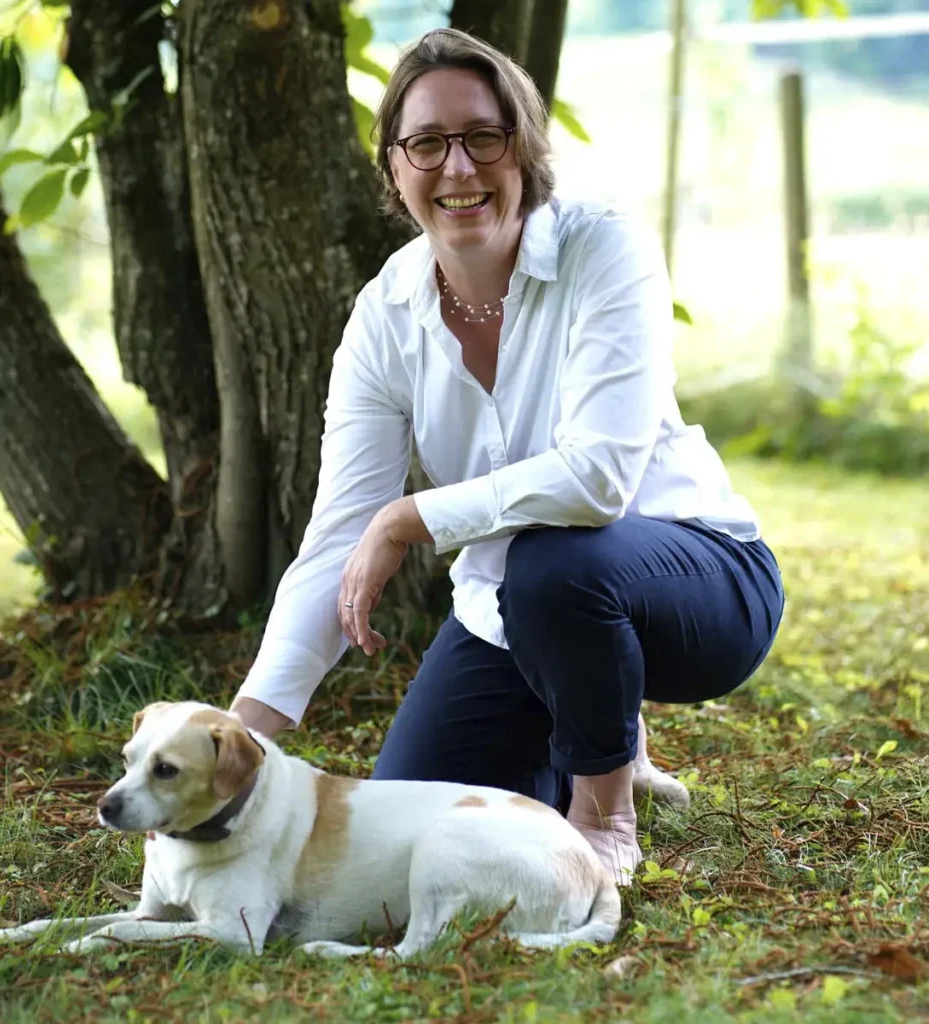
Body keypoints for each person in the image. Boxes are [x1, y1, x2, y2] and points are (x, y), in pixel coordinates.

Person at [230, 28, 784, 885]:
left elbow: (598, 480)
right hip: (512, 613)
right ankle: (597, 732)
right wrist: (237, 735)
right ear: (393, 168)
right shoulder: (385, 316)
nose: (458, 168)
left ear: (522, 147)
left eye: (482, 137)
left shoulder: (605, 250)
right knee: (410, 821)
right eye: (426, 143)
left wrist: (413, 517)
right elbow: (339, 538)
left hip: (702, 581)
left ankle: (605, 812)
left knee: (555, 564)